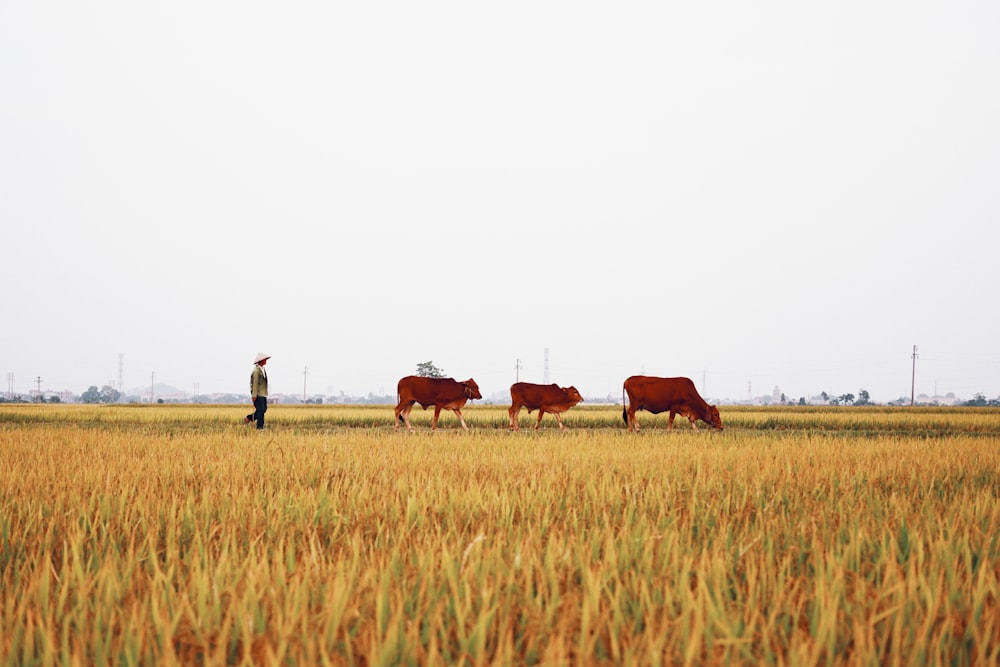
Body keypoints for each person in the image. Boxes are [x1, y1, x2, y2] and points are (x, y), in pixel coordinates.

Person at [245, 353, 270, 429]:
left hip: (263, 393)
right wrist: (254, 395)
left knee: (263, 409)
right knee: (260, 410)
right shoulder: (256, 371)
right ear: (261, 361)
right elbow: (255, 383)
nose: (266, 361)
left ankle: (249, 418)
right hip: (258, 394)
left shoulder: (262, 369)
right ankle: (260, 427)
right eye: (265, 359)